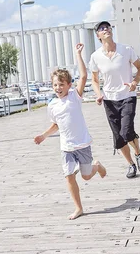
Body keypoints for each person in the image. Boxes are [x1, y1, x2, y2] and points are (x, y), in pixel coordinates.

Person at [34, 43, 107, 220]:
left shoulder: (75, 96)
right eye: (54, 85)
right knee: (69, 177)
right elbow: (56, 125)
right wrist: (44, 135)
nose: (58, 88)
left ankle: (96, 166)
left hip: (82, 144)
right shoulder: (52, 106)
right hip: (66, 147)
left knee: (87, 176)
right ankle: (78, 208)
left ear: (68, 85)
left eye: (61, 84)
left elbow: (83, 76)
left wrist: (78, 54)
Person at [89, 20, 140, 179]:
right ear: (98, 36)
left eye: (107, 27)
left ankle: (138, 153)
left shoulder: (126, 49)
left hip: (127, 95)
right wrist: (98, 94)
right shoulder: (95, 56)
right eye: (101, 28)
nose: (106, 29)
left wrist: (135, 82)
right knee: (118, 137)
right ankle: (131, 164)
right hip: (109, 100)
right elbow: (94, 79)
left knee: (126, 131)